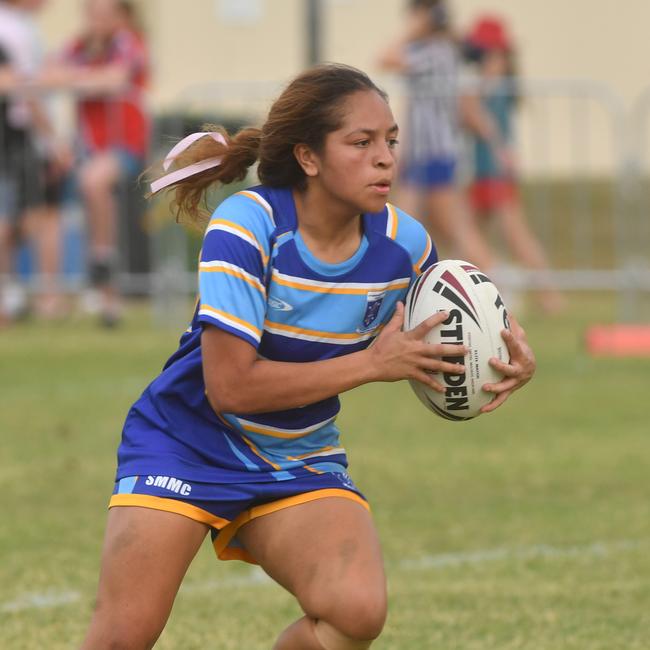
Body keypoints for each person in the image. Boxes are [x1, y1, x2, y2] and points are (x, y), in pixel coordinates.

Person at [80, 64, 536, 649]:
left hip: (297, 454)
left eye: (391, 141)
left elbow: (454, 321)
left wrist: (509, 357)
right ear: (309, 157)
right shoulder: (249, 226)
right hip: (185, 439)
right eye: (361, 142)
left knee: (356, 613)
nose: (385, 158)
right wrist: (373, 364)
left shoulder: (406, 245)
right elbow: (231, 389)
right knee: (122, 637)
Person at [377, 0, 505, 269]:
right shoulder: (442, 50)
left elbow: (385, 58)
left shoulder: (435, 52)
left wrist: (411, 31)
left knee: (452, 228)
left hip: (434, 152)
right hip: (421, 153)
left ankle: (495, 281)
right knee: (409, 225)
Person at [55, 0, 150, 326]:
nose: (98, 20)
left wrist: (74, 79)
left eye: (105, 13)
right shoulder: (78, 47)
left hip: (125, 144)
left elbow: (114, 79)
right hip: (87, 149)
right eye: (93, 13)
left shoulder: (129, 42)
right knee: (60, 204)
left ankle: (102, 263)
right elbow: (48, 73)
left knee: (94, 182)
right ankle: (94, 297)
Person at [463, 16, 564, 313]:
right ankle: (489, 288)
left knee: (515, 236)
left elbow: (475, 114)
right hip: (483, 174)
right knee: (471, 233)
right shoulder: (495, 82)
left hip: (493, 173)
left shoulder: (493, 82)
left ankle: (547, 294)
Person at [0, 0, 70, 324]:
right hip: (14, 139)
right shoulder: (11, 28)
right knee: (20, 217)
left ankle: (12, 294)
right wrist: (52, 141)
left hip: (18, 138)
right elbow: (23, 88)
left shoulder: (20, 26)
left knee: (22, 217)